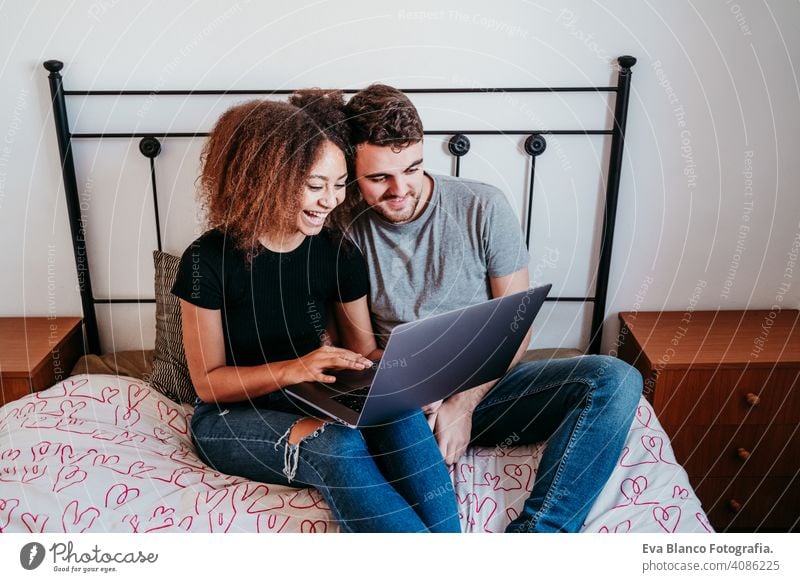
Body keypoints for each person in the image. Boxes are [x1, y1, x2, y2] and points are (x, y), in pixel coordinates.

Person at [324, 84, 643, 533]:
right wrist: (420, 390)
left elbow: (517, 327)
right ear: (350, 168)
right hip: (403, 399)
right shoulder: (341, 229)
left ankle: (538, 535)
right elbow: (360, 349)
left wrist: (463, 404)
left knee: (616, 380)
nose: (400, 189)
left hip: (492, 387)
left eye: (412, 168)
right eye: (379, 178)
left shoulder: (483, 206)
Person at [171, 92, 460, 533]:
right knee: (338, 446)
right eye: (315, 184)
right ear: (266, 178)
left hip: (316, 398)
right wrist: (296, 368)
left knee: (400, 415)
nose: (331, 200)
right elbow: (208, 384)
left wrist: (414, 377)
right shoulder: (205, 260)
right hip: (231, 419)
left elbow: (363, 350)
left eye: (340, 183)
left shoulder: (338, 251)